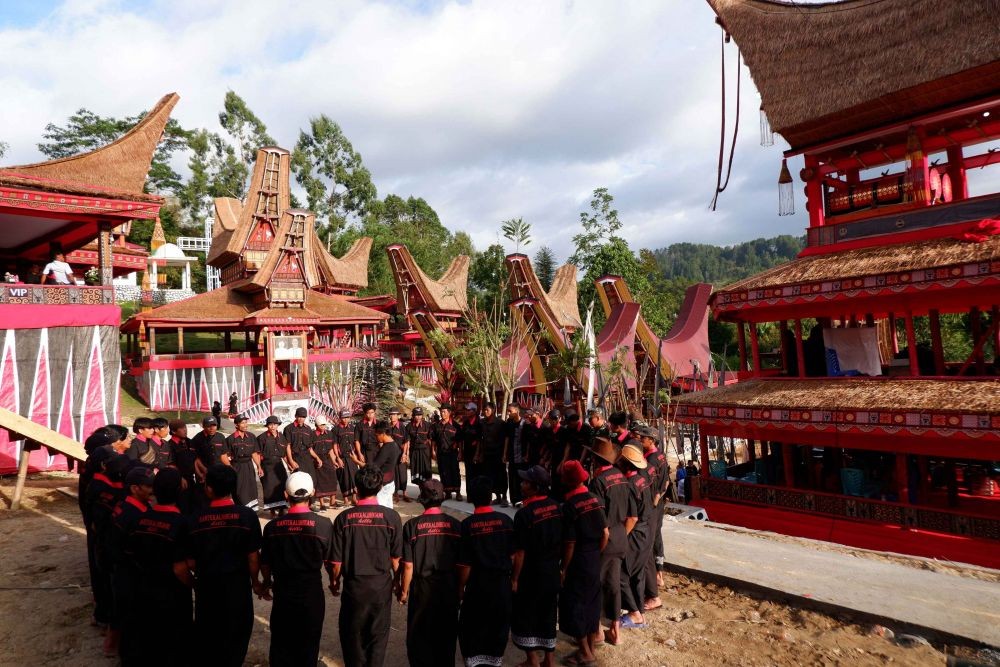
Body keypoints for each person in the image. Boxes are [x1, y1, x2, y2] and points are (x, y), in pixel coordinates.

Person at [181, 464, 264, 667]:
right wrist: (255, 582)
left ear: (208, 488)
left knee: (209, 634)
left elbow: (189, 562)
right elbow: (253, 557)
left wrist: (195, 582)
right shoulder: (247, 516)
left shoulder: (194, 519)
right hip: (237, 586)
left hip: (207, 586)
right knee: (237, 632)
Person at [259, 471, 335, 667]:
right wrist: (334, 582)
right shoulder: (324, 525)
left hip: (283, 592)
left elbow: (265, 563)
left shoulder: (272, 527)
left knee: (281, 644)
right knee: (309, 644)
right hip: (311, 592)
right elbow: (332, 563)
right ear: (313, 493)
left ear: (286, 495)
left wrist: (266, 584)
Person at [331, 465, 403, 667]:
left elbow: (336, 562)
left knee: (352, 636)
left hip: (354, 588)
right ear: (380, 487)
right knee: (378, 637)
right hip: (381, 587)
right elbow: (396, 560)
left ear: (356, 487)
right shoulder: (391, 518)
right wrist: (398, 586)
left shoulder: (344, 519)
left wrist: (334, 582)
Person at [124, 468, 193, 666]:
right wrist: (193, 583)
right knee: (173, 638)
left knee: (149, 634)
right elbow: (180, 568)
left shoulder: (140, 517)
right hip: (172, 592)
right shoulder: (181, 523)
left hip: (144, 586)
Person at [398, 480, 462, 667]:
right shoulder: (456, 526)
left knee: (420, 634)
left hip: (421, 588)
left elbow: (408, 565)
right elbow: (462, 564)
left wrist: (404, 591)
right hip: (448, 586)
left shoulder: (412, 526)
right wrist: (460, 589)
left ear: (422, 500)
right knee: (446, 634)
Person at [457, 476, 514, 667]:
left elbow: (465, 565)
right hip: (501, 584)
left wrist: (460, 588)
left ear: (471, 498)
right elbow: (515, 555)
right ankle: (494, 661)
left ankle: (474, 662)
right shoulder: (506, 521)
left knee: (473, 626)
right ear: (490, 498)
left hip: (477, 586)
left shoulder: (467, 525)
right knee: (497, 626)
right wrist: (514, 578)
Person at [558, 460, 609, 667]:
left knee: (575, 605)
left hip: (578, 559)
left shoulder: (569, 506)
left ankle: (586, 653)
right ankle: (588, 645)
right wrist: (596, 552)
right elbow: (605, 533)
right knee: (591, 602)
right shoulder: (594, 499)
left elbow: (569, 543)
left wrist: (564, 568)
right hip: (593, 556)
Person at [586, 436, 636, 646]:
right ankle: (615, 631)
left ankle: (596, 631)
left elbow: (600, 522)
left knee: (594, 585)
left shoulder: (597, 482)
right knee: (613, 585)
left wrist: (603, 543)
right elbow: (633, 517)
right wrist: (620, 536)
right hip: (621, 537)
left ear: (596, 460)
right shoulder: (623, 478)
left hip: (604, 540)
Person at [511, 465, 563, 666]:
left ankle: (532, 659)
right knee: (548, 613)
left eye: (525, 482)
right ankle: (549, 659)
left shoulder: (524, 515)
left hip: (531, 572)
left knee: (527, 614)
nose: (522, 484)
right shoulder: (557, 507)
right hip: (551, 569)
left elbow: (520, 551)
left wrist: (515, 578)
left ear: (535, 487)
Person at [107, 466, 155, 660]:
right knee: (131, 619)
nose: (152, 490)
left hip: (127, 571)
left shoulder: (132, 506)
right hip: (130, 573)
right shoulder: (132, 514)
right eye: (148, 486)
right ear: (135, 488)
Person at [85, 453, 128, 640]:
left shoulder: (97, 485)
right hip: (109, 547)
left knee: (105, 582)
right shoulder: (111, 493)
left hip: (102, 543)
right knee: (111, 587)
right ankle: (109, 625)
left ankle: (101, 616)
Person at [619, 441, 652, 630]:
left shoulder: (630, 484)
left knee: (622, 574)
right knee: (637, 574)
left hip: (636, 532)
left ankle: (635, 613)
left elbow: (632, 517)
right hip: (646, 530)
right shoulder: (642, 479)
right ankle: (639, 610)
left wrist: (622, 536)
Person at [637, 425, 669, 611]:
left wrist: (654, 500)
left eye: (644, 438)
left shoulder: (651, 460)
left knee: (649, 542)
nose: (641, 440)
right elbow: (665, 482)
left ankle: (654, 581)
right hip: (657, 503)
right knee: (656, 538)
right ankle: (659, 575)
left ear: (652, 441)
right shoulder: (661, 456)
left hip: (652, 505)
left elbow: (658, 484)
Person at [475, 402, 507, 504]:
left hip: (498, 454)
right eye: (484, 410)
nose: (485, 412)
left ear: (493, 410)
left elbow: (506, 439)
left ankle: (505, 497)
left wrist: (504, 454)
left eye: (487, 410)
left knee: (501, 475)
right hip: (487, 454)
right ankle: (497, 497)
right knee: (489, 476)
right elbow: (480, 439)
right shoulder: (482, 423)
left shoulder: (501, 423)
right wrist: (478, 454)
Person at [227, 414, 260, 508]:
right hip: (237, 467)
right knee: (239, 489)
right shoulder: (230, 439)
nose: (245, 425)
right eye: (243, 423)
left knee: (251, 487)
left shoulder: (251, 436)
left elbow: (254, 453)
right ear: (236, 425)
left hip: (249, 465)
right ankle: (241, 508)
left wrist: (259, 466)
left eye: (246, 422)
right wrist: (230, 467)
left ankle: (252, 510)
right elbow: (226, 455)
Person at [258, 416, 289, 515]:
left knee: (281, 486)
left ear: (277, 425)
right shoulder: (261, 438)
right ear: (267, 426)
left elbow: (284, 454)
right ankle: (272, 510)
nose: (272, 426)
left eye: (275, 424)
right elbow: (258, 454)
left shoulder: (282, 437)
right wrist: (259, 467)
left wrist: (289, 464)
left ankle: (281, 509)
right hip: (266, 466)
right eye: (270, 424)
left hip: (279, 465)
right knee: (269, 488)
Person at [284, 406, 321, 486]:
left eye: (303, 417)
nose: (301, 419)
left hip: (307, 458)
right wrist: (291, 461)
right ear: (296, 416)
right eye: (299, 416)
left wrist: (317, 457)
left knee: (311, 481)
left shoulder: (308, 429)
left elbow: (310, 448)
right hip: (295, 458)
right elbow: (288, 446)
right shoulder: (288, 429)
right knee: (298, 483)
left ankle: (311, 499)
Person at [433, 403, 462, 500]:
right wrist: (433, 451)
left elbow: (460, 441)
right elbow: (434, 439)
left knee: (455, 472)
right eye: (441, 411)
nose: (442, 413)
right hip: (441, 453)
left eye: (444, 412)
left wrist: (460, 452)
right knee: (443, 472)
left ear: (449, 413)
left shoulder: (455, 426)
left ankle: (458, 493)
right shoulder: (437, 425)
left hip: (452, 453)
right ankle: (447, 492)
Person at [312, 414, 340, 510]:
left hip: (328, 459)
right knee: (320, 482)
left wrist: (334, 461)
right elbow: (310, 449)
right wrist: (316, 459)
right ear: (316, 425)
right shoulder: (312, 435)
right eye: (321, 425)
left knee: (333, 479)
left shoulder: (329, 434)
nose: (323, 427)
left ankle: (332, 501)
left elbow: (331, 449)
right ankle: (322, 504)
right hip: (318, 461)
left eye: (324, 425)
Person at [370, 420, 402, 507]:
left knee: (381, 508)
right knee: (388, 507)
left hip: (383, 483)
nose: (376, 438)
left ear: (383, 433)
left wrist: (357, 461)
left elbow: (374, 467)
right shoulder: (394, 444)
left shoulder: (387, 448)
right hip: (390, 481)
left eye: (377, 435)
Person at [192, 416, 228, 484]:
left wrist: (230, 468)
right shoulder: (197, 439)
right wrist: (201, 473)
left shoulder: (221, 437)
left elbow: (223, 455)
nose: (212, 428)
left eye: (214, 425)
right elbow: (195, 459)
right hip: (203, 473)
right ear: (203, 426)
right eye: (209, 426)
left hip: (218, 472)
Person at [334, 409, 358, 505]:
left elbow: (356, 442)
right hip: (342, 457)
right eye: (343, 418)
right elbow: (335, 445)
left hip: (352, 456)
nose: (345, 420)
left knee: (354, 476)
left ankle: (354, 498)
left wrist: (357, 454)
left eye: (347, 417)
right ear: (340, 418)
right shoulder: (335, 429)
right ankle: (345, 499)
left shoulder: (353, 428)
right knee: (343, 478)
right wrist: (338, 458)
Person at [403, 406, 433, 484]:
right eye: (416, 415)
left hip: (425, 451)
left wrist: (432, 452)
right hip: (414, 451)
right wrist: (406, 453)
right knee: (416, 471)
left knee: (426, 470)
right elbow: (407, 441)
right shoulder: (409, 426)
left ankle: (427, 490)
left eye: (420, 415)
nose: (418, 417)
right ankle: (420, 489)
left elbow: (430, 440)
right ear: (413, 416)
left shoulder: (428, 425)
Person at [504, 404, 526, 506]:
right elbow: (507, 438)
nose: (508, 413)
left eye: (510, 411)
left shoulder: (524, 423)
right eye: (507, 411)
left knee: (520, 478)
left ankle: (521, 499)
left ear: (517, 411)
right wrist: (505, 454)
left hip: (521, 456)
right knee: (511, 477)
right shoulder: (509, 422)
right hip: (512, 455)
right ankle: (513, 500)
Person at [389, 408, 410, 503]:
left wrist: (405, 454)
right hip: (391, 455)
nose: (392, 416)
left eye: (394, 414)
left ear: (398, 416)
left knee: (403, 473)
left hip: (401, 453)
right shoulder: (388, 427)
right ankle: (395, 493)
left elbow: (406, 441)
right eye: (391, 414)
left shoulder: (402, 427)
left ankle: (405, 493)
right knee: (394, 474)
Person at [458, 401, 482, 482]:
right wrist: (460, 452)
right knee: (469, 474)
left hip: (477, 453)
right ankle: (470, 494)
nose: (466, 412)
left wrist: (477, 454)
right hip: (467, 452)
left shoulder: (480, 423)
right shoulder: (465, 423)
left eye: (468, 410)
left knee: (477, 475)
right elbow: (461, 438)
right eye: (466, 410)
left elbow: (479, 440)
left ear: (475, 411)